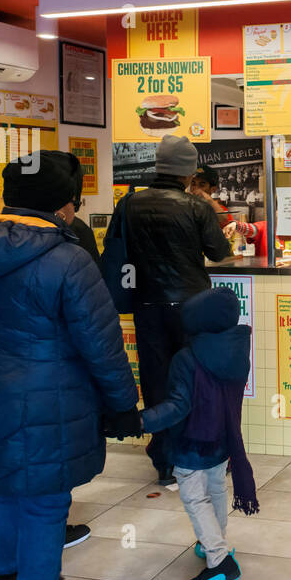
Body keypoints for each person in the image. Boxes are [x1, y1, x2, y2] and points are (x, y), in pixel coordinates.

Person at [0, 151, 141, 580]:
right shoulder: (69, 257)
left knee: (5, 497)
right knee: (44, 505)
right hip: (50, 401)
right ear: (64, 206)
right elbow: (101, 342)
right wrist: (122, 404)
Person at [108, 135, 232, 485]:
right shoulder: (196, 207)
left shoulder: (129, 204)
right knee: (195, 379)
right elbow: (220, 252)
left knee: (156, 381)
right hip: (192, 307)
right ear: (188, 173)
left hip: (147, 305)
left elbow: (115, 250)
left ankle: (164, 460)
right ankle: (198, 454)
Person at [140, 287, 259, 580]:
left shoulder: (187, 358)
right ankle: (215, 542)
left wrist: (142, 420)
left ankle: (220, 561)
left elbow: (178, 406)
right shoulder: (237, 346)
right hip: (223, 437)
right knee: (216, 488)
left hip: (191, 441)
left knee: (196, 499)